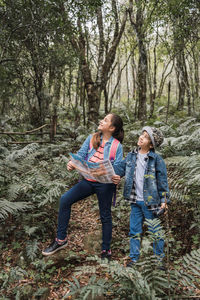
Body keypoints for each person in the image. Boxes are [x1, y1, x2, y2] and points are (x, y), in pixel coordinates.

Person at [42, 113, 124, 260]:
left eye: (105, 120)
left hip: (105, 185)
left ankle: (106, 250)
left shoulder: (117, 146)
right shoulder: (92, 138)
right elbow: (80, 155)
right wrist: (72, 163)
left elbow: (118, 167)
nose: (101, 121)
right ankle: (61, 240)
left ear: (111, 128)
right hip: (88, 180)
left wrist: (117, 176)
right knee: (65, 199)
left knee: (105, 216)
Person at [112, 126, 170, 267]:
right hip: (135, 200)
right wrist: (110, 171)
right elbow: (120, 169)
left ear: (151, 145)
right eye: (142, 134)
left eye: (146, 137)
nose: (141, 137)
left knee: (155, 231)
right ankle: (134, 259)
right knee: (134, 230)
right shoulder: (132, 155)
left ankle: (158, 260)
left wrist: (164, 200)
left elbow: (162, 181)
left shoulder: (156, 159)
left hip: (151, 201)